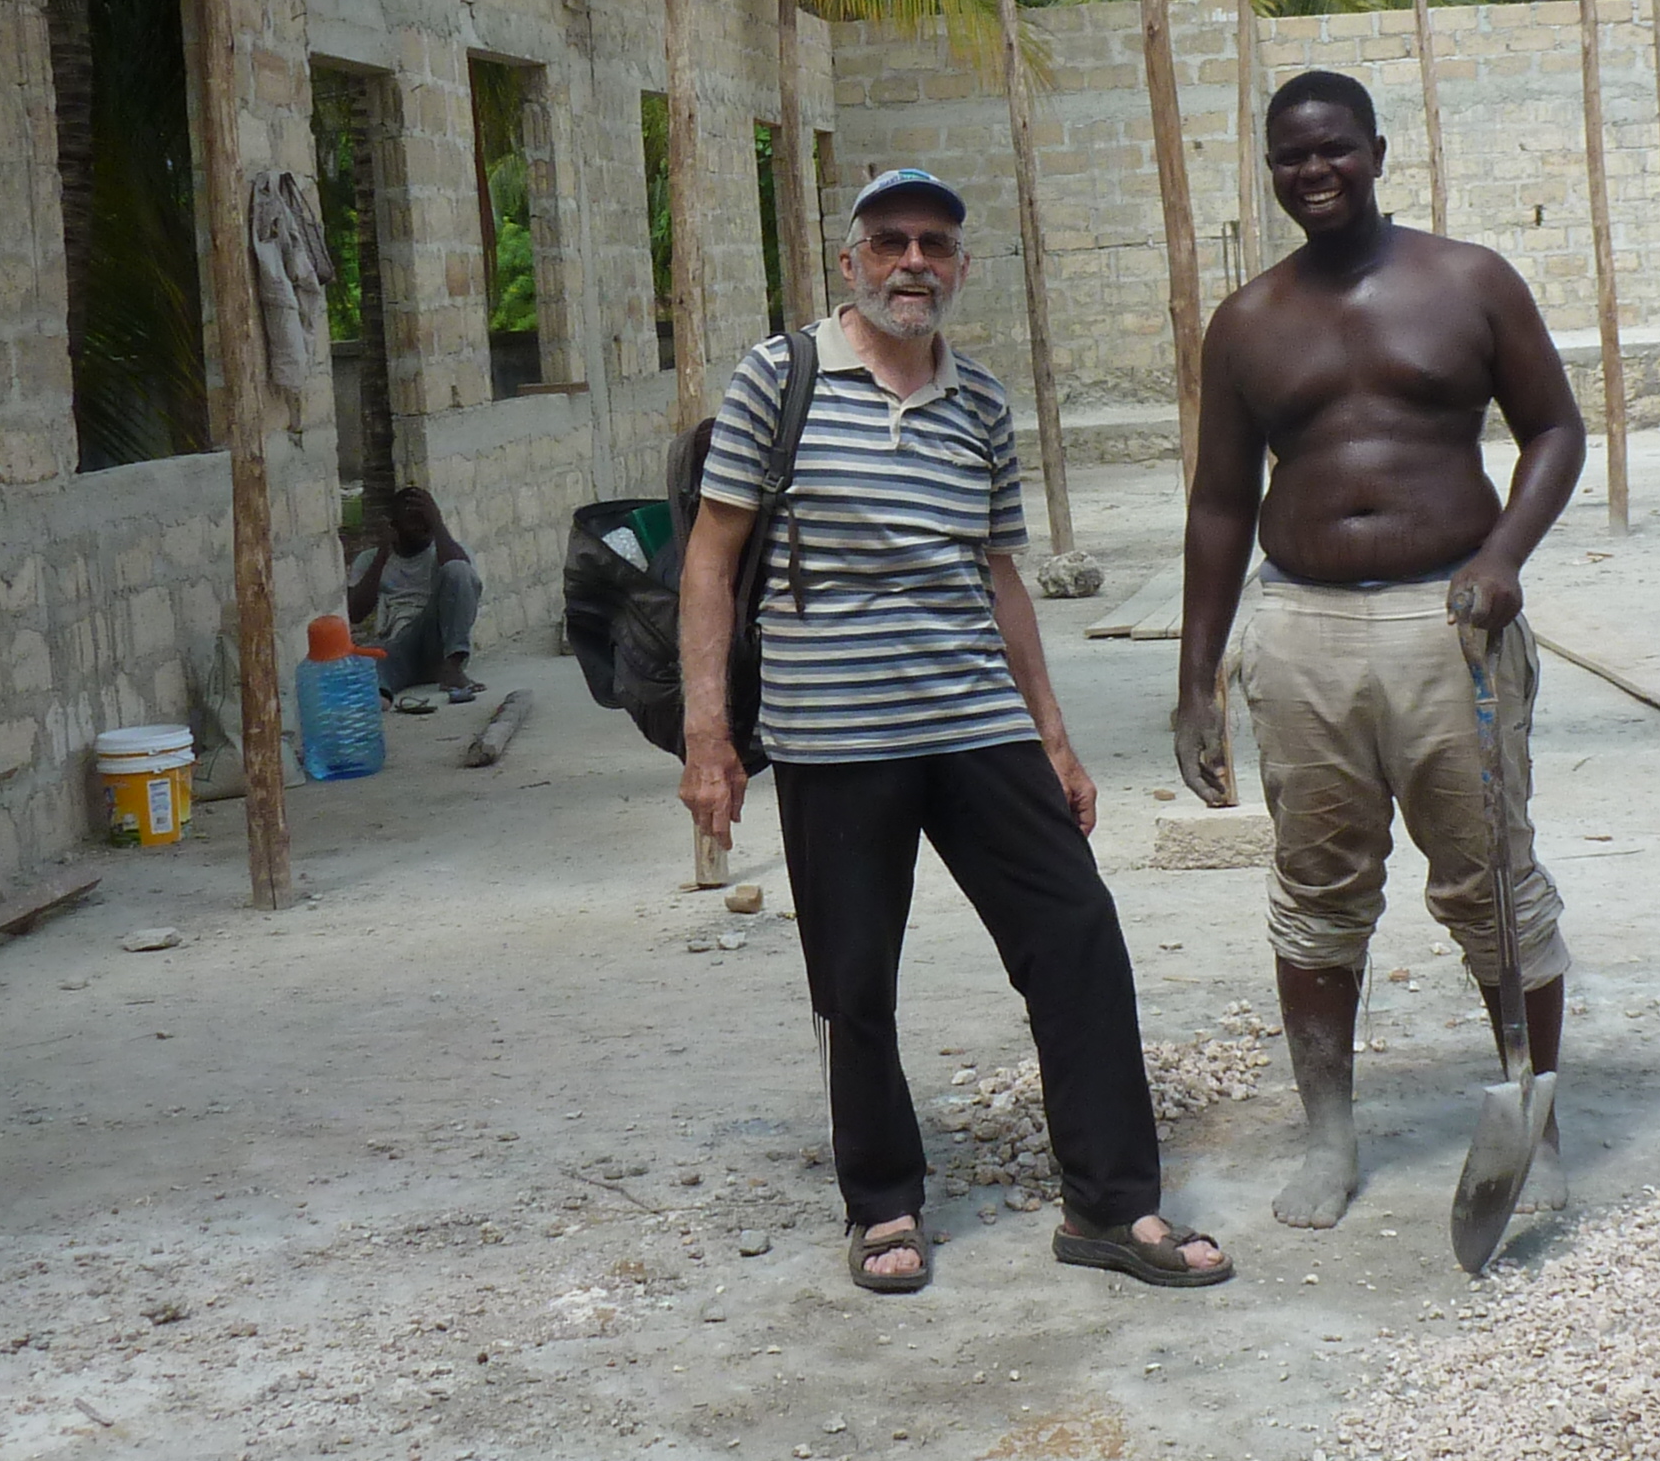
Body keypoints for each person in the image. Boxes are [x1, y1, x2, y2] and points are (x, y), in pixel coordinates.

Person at [678, 167, 1230, 1298]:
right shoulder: (777, 380)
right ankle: (882, 1202)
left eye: (934, 244)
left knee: (1076, 936)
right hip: (835, 739)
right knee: (855, 977)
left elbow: (1000, 576)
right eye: (890, 243)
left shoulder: (978, 402)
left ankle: (1112, 1205)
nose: (913, 263)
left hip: (976, 724)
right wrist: (708, 738)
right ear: (852, 263)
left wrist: (1057, 741)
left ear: (962, 267)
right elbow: (711, 558)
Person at [1174, 69, 1587, 1229]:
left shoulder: (1466, 282)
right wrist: (1198, 677)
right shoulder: (1249, 322)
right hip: (1299, 626)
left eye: (1335, 150)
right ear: (1271, 170)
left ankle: (1531, 1121)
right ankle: (1330, 1135)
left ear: (1377, 151)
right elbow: (1216, 502)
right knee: (1317, 891)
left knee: (1493, 887)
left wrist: (1504, 554)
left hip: (1447, 622)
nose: (1315, 172)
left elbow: (1556, 428)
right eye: (1291, 157)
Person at [347, 486, 481, 707]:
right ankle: (382, 695)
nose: (422, 528)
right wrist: (383, 553)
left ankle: (453, 669)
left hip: (437, 643)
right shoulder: (369, 559)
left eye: (426, 521)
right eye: (412, 522)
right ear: (394, 524)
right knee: (367, 664)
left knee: (458, 569)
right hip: (398, 648)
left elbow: (463, 580)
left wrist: (438, 525)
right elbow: (355, 613)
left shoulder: (450, 551)